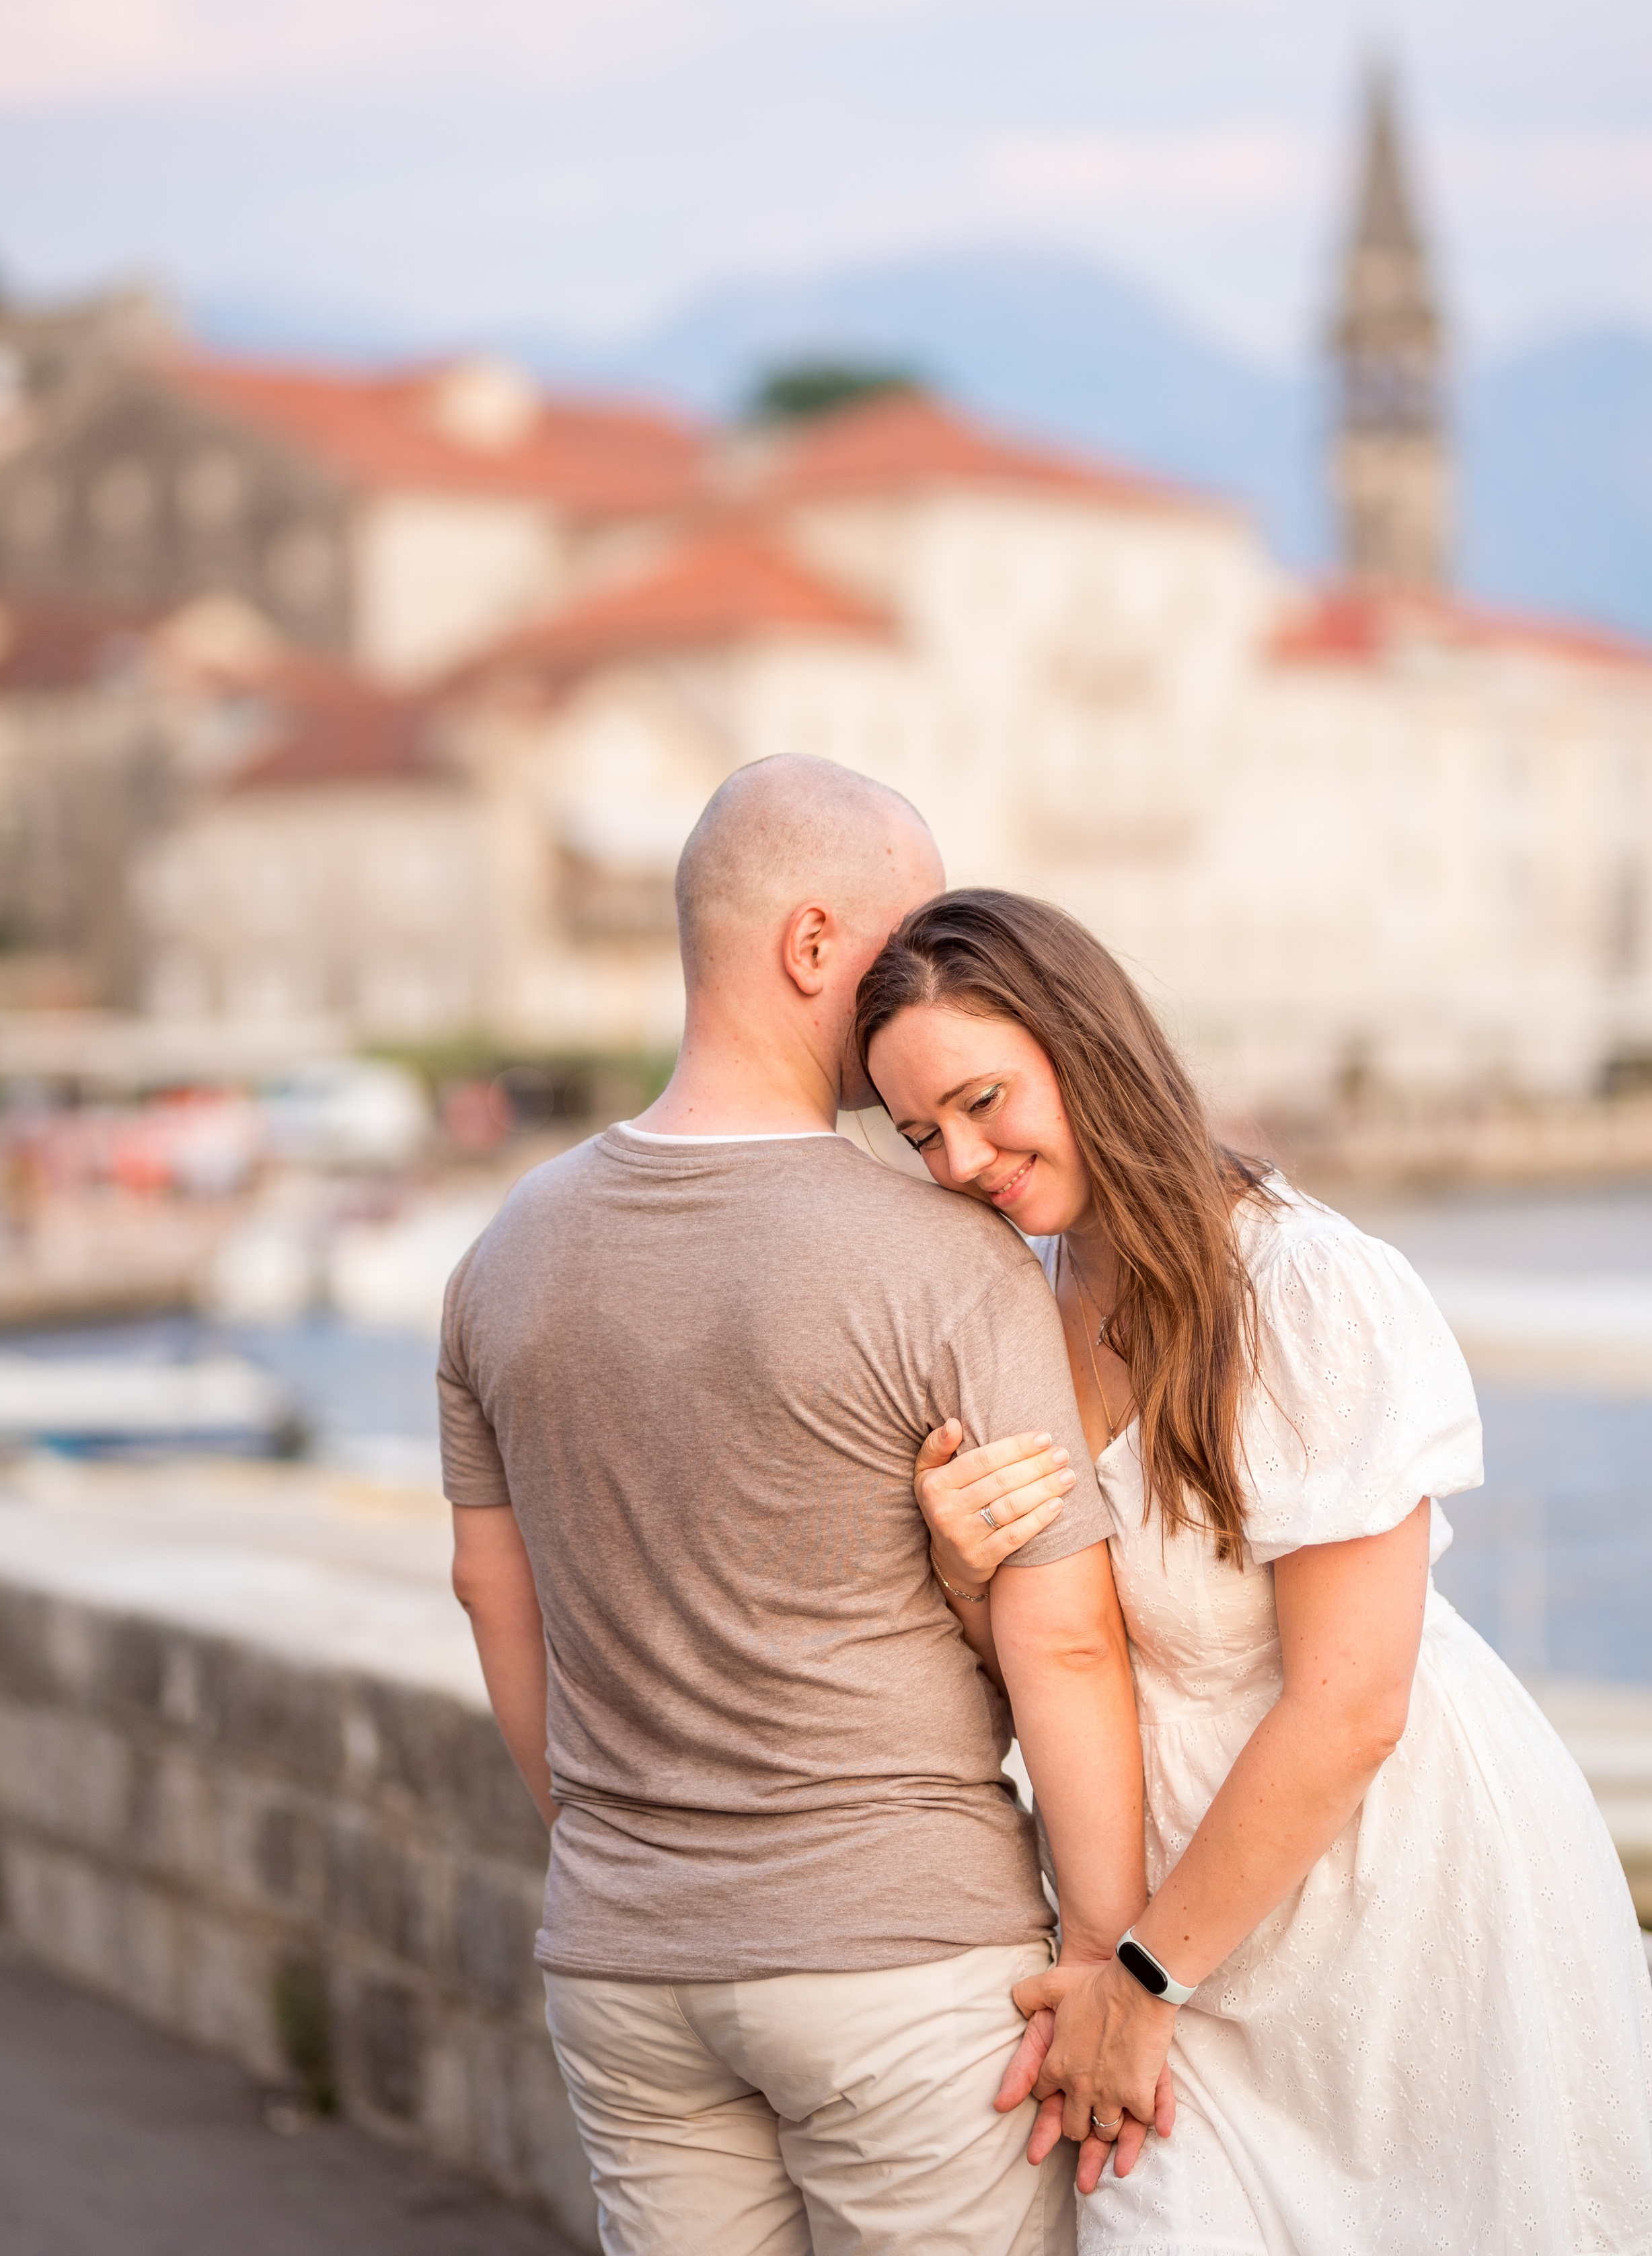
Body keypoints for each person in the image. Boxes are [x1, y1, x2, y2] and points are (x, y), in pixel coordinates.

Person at [857, 885, 1652, 2255]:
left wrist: (1141, 1977)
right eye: (922, 1133)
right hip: (1157, 1907)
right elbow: (1069, 1653)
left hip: (1386, 1894)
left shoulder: (1305, 1289)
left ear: (1083, 1045)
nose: (960, 1159)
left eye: (984, 1101)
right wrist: (960, 1563)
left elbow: (1352, 1706)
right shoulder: (1019, 1312)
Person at [437, 758, 1154, 2256]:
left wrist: (618, 1853)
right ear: (814, 948)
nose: (923, 980)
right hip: (899, 1963)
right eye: (901, 943)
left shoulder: (502, 1253)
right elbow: (1064, 1643)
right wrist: (1102, 1957)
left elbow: (490, 1595)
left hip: (625, 1967)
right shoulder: (943, 1258)